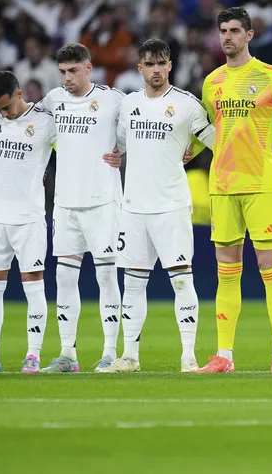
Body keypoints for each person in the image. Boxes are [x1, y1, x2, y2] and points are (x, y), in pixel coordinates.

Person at [0, 43, 124, 374]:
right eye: (62, 72)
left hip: (103, 203)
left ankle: (110, 353)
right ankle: (68, 354)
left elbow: (135, 133)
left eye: (73, 71)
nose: (67, 78)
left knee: (106, 277)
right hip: (65, 206)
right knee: (66, 281)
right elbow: (18, 110)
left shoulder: (114, 100)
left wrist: (124, 153)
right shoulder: (52, 103)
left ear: (88, 68)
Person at [99, 38, 216, 373]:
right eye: (148, 64)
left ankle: (189, 357)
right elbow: (121, 144)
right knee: (133, 283)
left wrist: (193, 145)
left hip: (171, 206)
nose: (155, 70)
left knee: (181, 280)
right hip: (134, 207)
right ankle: (130, 356)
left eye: (160, 63)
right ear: (139, 68)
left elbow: (217, 140)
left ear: (169, 66)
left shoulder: (187, 105)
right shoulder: (129, 105)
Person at [196, 7, 272, 373]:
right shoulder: (212, 82)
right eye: (223, 30)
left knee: (271, 266)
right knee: (226, 271)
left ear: (250, 35)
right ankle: (224, 355)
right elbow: (215, 129)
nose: (228, 36)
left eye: (235, 30)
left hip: (261, 185)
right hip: (222, 186)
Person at [0, 71, 57, 374]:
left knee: (34, 286)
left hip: (29, 218)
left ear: (19, 94)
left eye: (7, 107)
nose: (3, 113)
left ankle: (33, 355)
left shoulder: (45, 122)